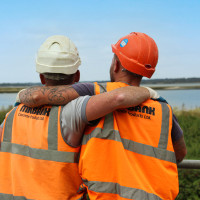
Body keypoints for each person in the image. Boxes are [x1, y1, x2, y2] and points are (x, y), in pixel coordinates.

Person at [17, 32, 187, 200]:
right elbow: (179, 154)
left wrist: (20, 98)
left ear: (116, 65)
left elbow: (39, 96)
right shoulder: (164, 109)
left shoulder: (94, 91)